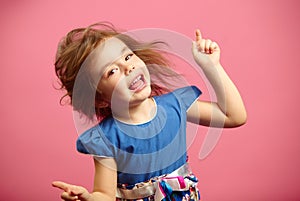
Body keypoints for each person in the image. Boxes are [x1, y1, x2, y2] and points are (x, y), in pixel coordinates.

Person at [52, 22, 247, 201]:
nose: (129, 67)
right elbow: (105, 195)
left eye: (128, 56)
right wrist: (88, 197)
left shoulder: (176, 105)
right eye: (112, 71)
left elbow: (233, 116)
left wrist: (212, 66)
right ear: (100, 98)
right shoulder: (106, 139)